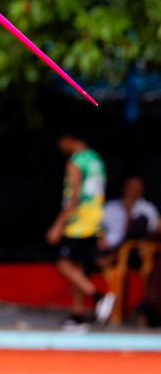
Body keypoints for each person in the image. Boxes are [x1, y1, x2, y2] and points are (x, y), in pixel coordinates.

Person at [46, 128, 113, 329]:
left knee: (63, 264)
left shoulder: (76, 162)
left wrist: (58, 225)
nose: (60, 147)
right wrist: (100, 229)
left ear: (68, 139)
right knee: (78, 268)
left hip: (78, 223)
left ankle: (98, 296)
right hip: (93, 222)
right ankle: (78, 314)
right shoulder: (96, 161)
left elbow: (74, 197)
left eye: (61, 142)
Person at [100, 177, 159, 253]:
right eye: (130, 186)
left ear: (142, 189)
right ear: (123, 187)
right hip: (107, 247)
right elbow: (96, 229)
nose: (132, 190)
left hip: (135, 250)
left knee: (142, 220)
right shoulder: (109, 207)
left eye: (136, 187)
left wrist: (128, 212)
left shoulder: (148, 209)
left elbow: (154, 231)